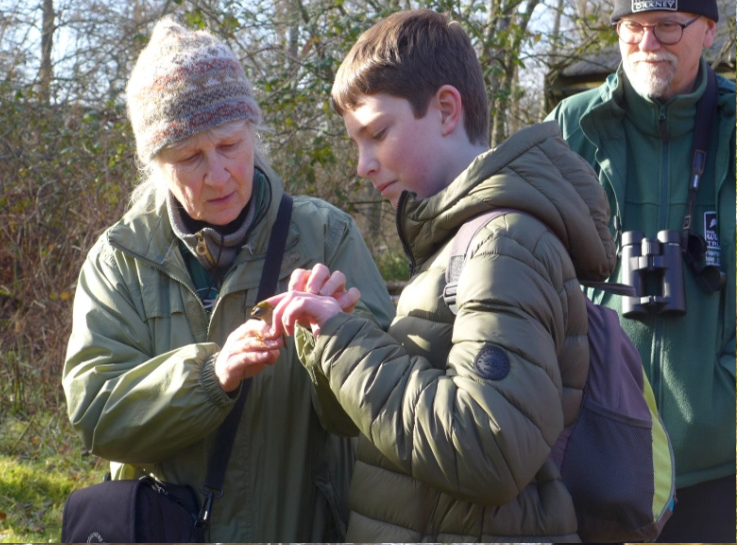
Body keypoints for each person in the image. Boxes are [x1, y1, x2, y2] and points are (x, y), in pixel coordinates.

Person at [261, 9, 620, 541]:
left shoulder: (505, 244)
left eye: (377, 133)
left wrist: (348, 343)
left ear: (447, 109)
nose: (362, 164)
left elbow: (489, 446)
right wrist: (327, 334)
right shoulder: (456, 241)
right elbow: (402, 422)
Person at [61, 16, 395, 543]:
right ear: (155, 163)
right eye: (190, 157)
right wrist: (210, 376)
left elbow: (371, 419)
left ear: (253, 136)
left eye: (230, 146)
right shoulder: (119, 259)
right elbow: (97, 416)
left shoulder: (325, 235)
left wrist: (337, 340)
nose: (217, 175)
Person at [547, 0, 735, 540]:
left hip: (717, 461)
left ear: (709, 32)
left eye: (667, 27)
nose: (647, 43)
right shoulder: (571, 126)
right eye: (633, 27)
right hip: (592, 452)